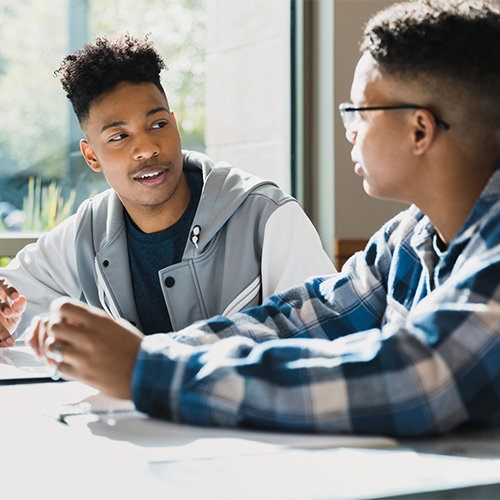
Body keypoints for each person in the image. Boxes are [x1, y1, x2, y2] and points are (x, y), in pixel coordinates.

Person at [31, 0, 500, 437]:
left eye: (357, 111)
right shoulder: (409, 236)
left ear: (420, 129)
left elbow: (415, 380)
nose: (349, 130)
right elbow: (305, 317)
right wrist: (148, 355)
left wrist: (147, 370)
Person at [0, 34, 335, 347]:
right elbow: (12, 295)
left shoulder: (268, 218)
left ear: (174, 124)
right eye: (119, 136)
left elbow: (326, 340)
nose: (146, 148)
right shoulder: (86, 232)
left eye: (158, 125)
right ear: (91, 156)